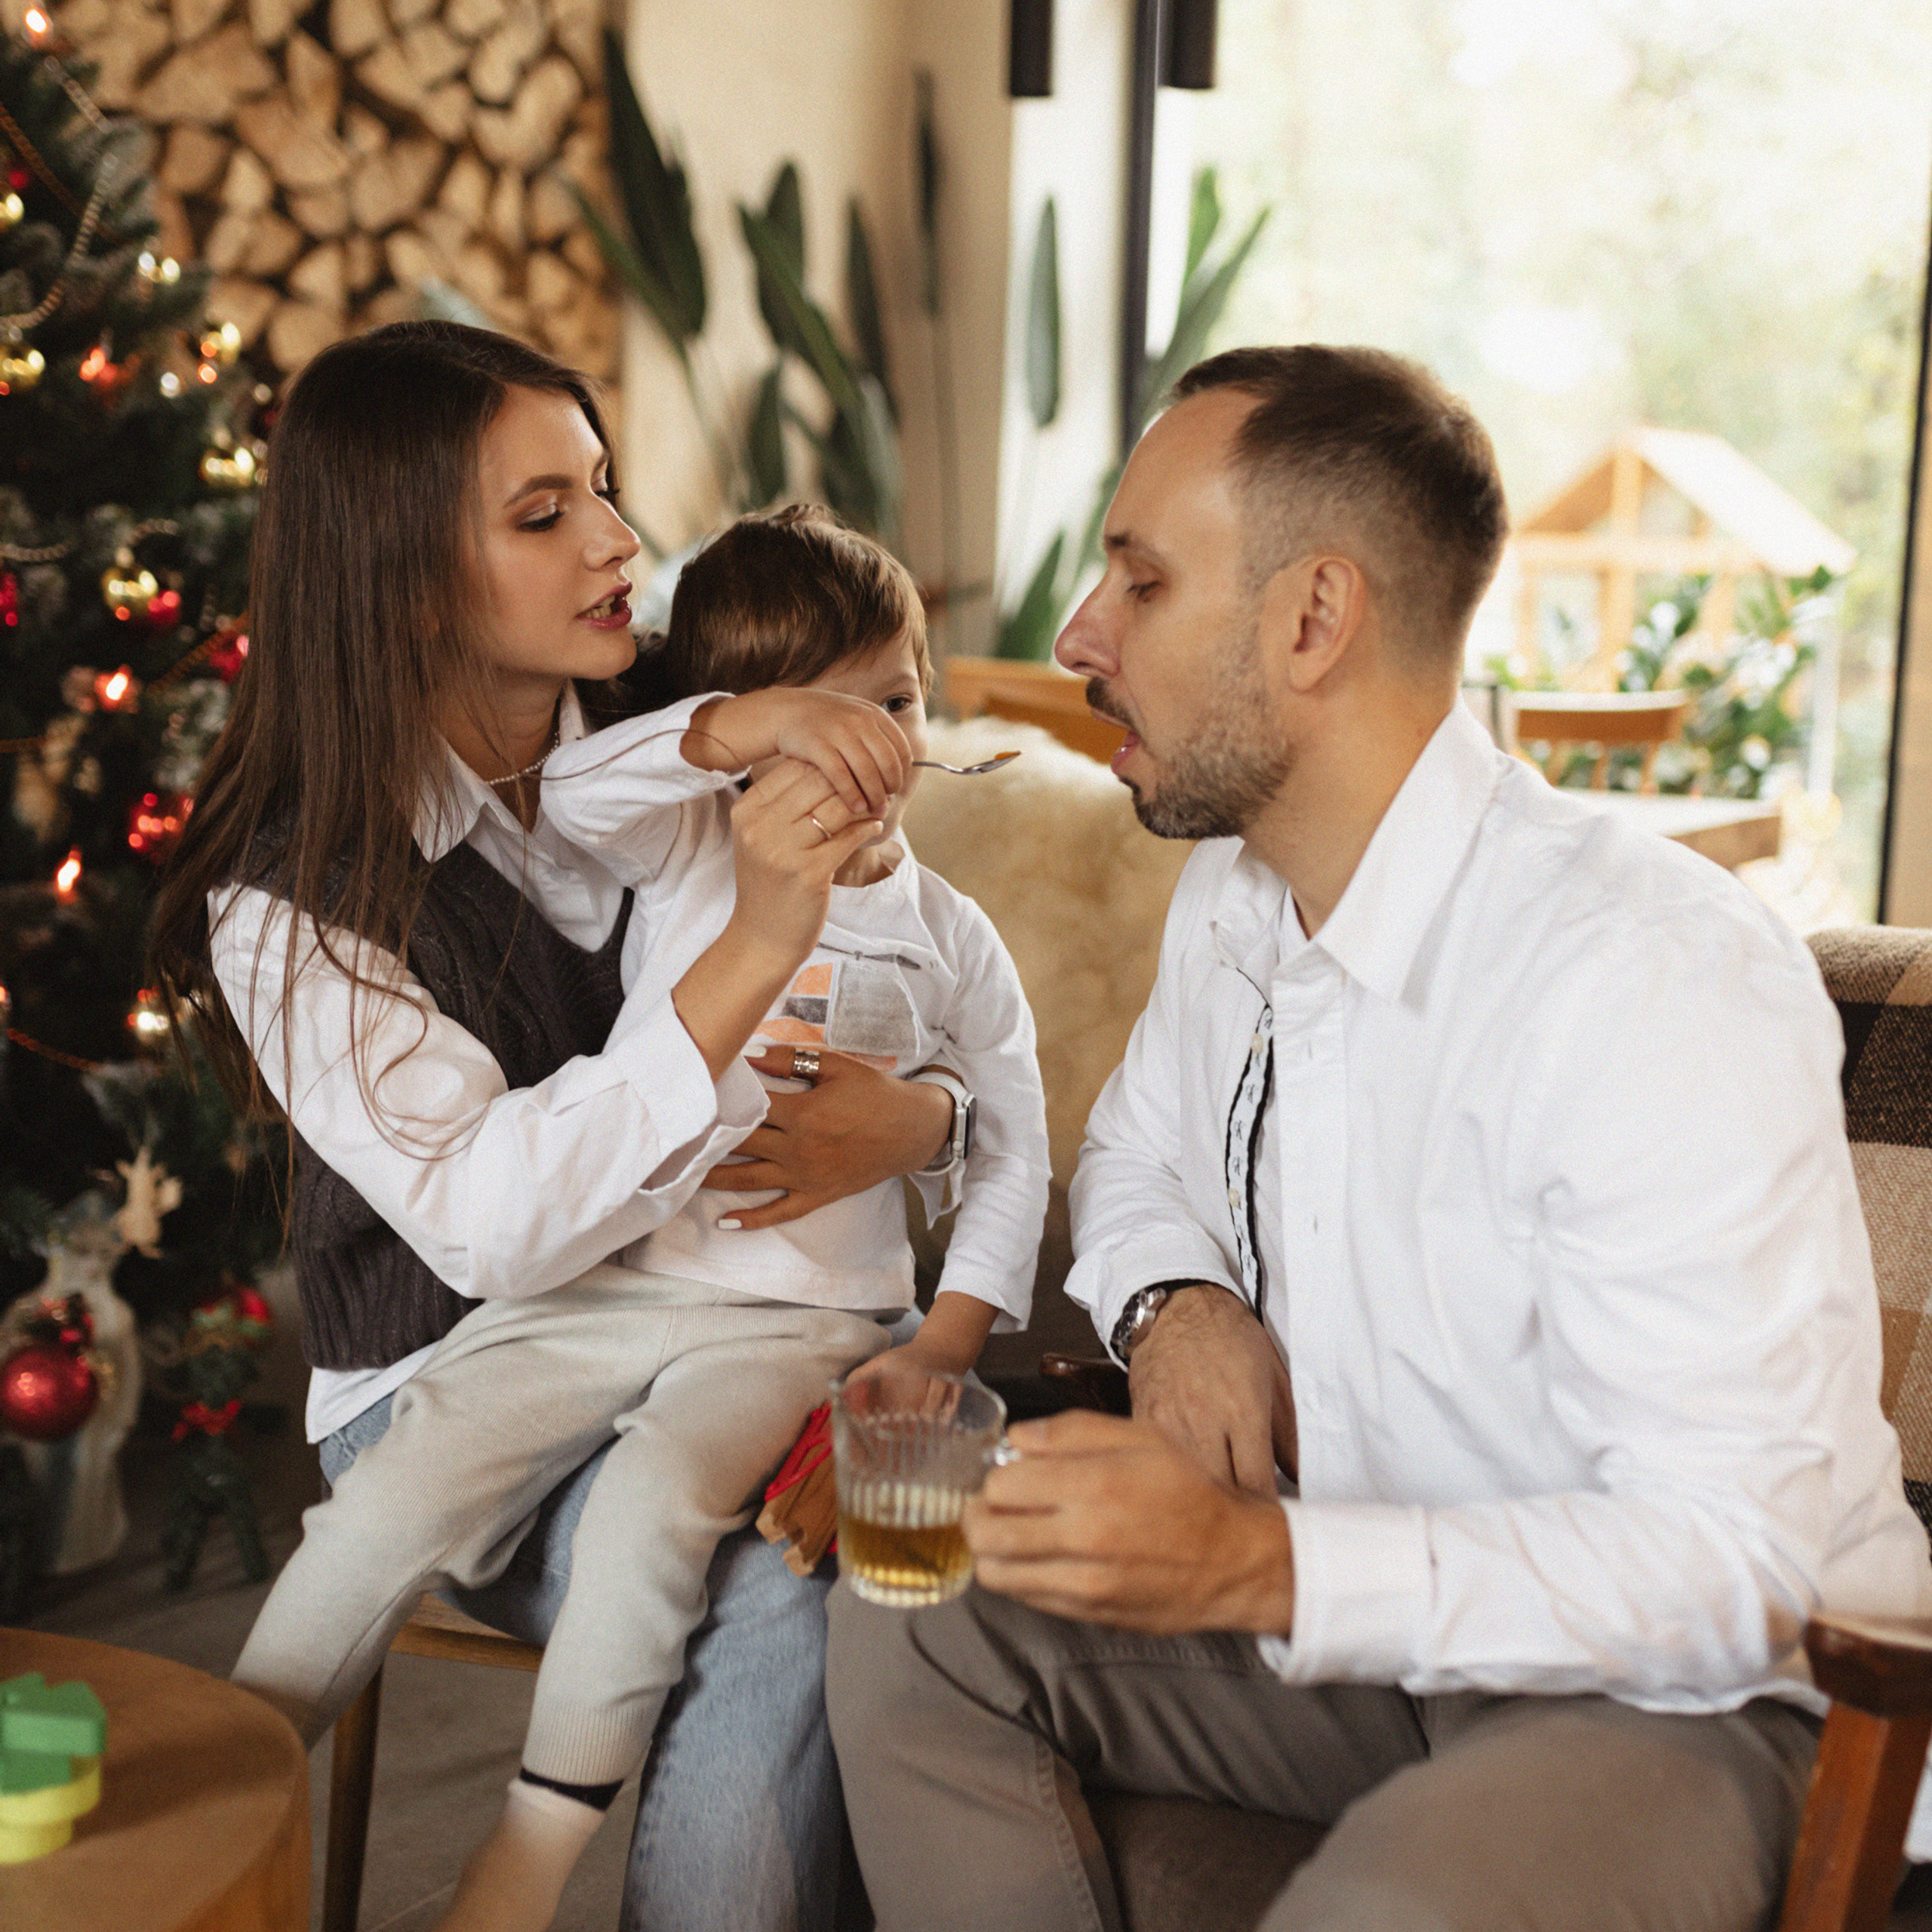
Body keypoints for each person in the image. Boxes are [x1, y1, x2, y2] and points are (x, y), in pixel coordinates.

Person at [826, 344, 1932, 1932]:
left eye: (1137, 581)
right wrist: (1171, 1305)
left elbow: (1728, 1558)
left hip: (1692, 1698)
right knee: (911, 1605)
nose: (1075, 636)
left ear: (1310, 619)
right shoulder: (1233, 890)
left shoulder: (1642, 972)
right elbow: (1134, 1161)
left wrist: (1255, 1571)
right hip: (1359, 1620)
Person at [149, 319, 961, 1932]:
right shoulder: (293, 903)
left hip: (722, 1329)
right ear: (407, 578)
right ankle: (189, 1833)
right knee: (775, 1589)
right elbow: (492, 1223)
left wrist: (923, 1121)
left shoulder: (673, 711)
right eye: (542, 516)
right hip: (449, 1368)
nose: (616, 543)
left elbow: (922, 982)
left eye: (600, 488)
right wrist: (751, 942)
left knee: (833, 1556)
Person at [542, 504, 1049, 1395]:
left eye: (895, 703)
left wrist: (942, 1347)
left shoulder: (955, 934)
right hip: (640, 1293)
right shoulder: (688, 847)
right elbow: (571, 794)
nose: (874, 749)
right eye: (815, 724)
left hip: (834, 1320)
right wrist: (751, 724)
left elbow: (1013, 1152)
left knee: (654, 1506)